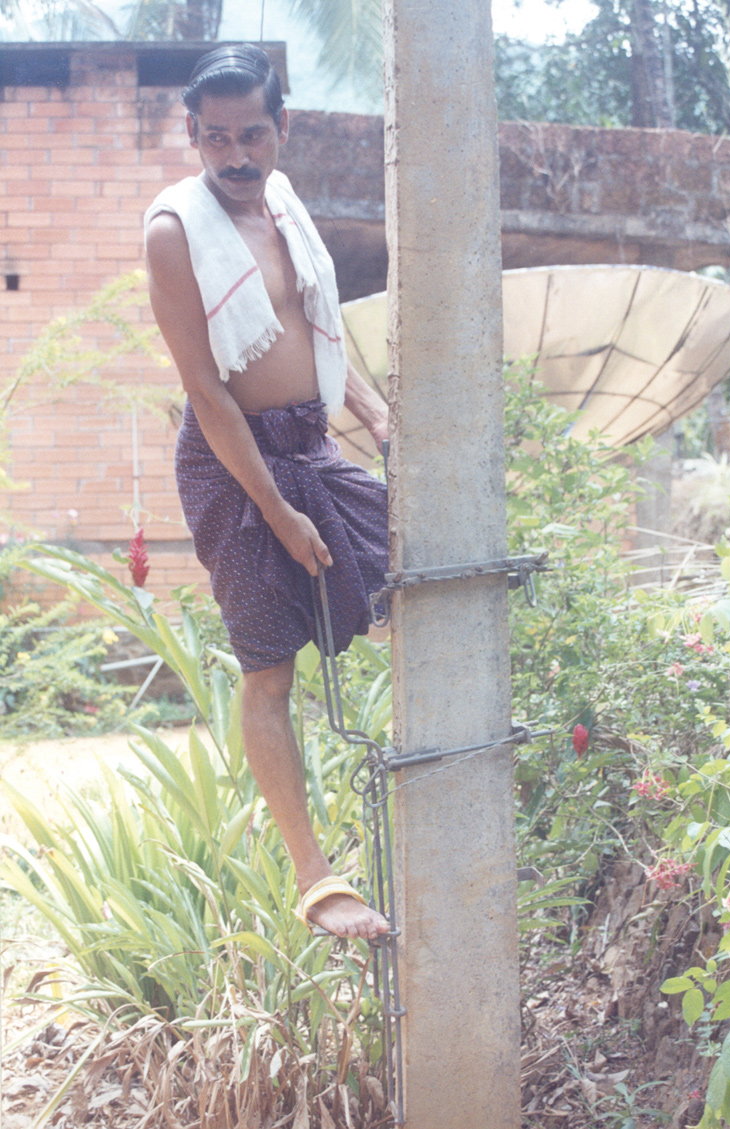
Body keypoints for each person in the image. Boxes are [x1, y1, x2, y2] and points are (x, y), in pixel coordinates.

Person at [144, 44, 391, 941]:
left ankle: (415, 769)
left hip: (308, 442)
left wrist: (378, 414)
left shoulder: (284, 204)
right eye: (215, 140)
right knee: (269, 668)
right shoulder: (173, 228)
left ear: (282, 125)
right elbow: (209, 391)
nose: (236, 156)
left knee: (412, 551)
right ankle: (319, 881)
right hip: (229, 465)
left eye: (252, 133)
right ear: (194, 136)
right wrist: (278, 515)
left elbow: (315, 330)